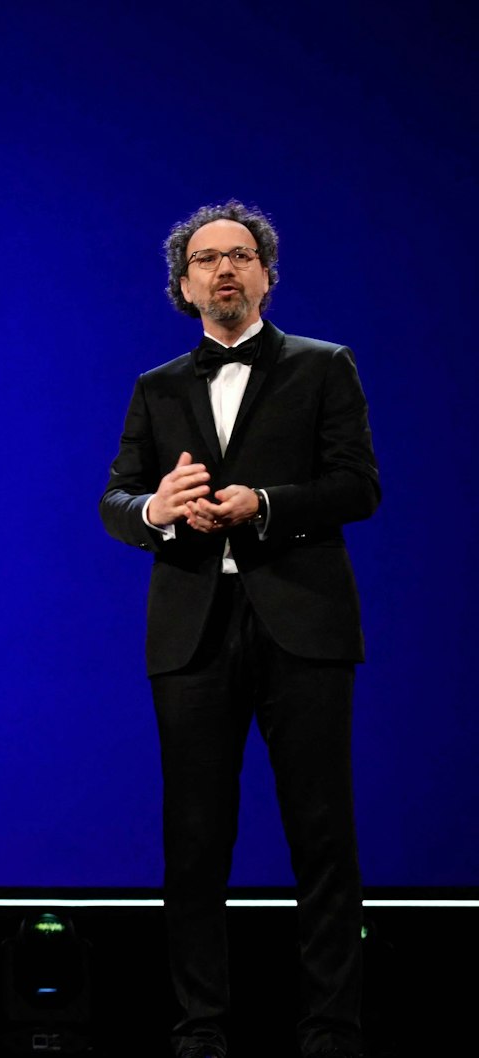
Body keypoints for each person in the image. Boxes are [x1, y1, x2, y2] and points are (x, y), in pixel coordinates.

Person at [99, 201, 378, 1058]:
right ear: (184, 286)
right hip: (192, 634)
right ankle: (200, 1029)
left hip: (303, 627)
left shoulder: (323, 366)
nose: (226, 270)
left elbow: (357, 486)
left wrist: (267, 506)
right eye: (207, 260)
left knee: (323, 837)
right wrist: (158, 509)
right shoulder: (157, 387)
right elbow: (115, 502)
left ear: (266, 274)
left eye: (242, 256)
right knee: (193, 842)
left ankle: (331, 1028)